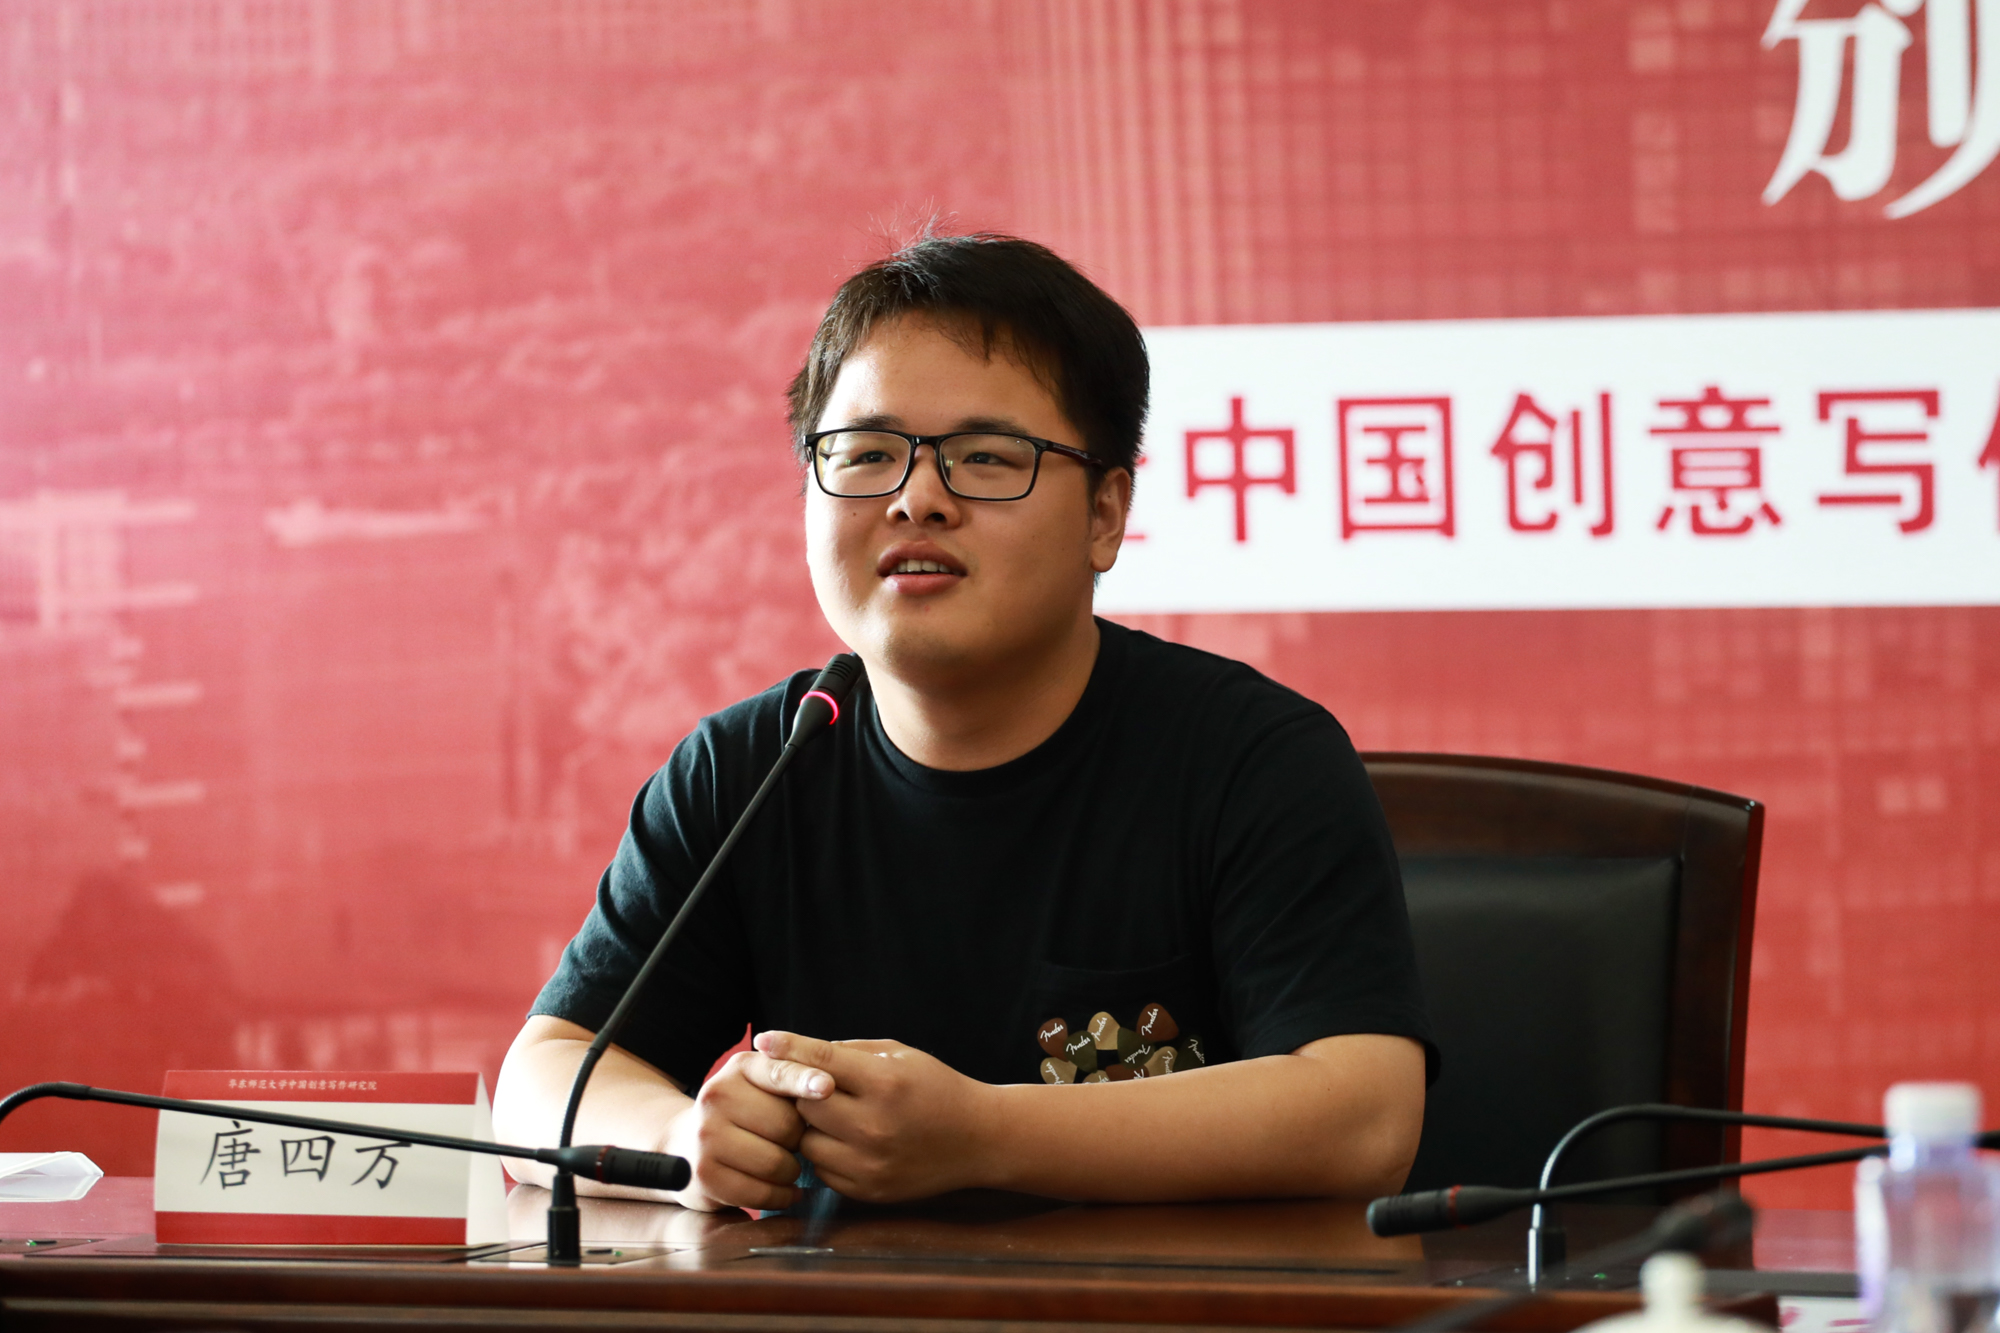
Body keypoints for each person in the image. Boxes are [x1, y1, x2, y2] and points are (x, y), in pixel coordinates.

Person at [493, 232, 1434, 1213]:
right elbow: (541, 1080)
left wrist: (981, 1135)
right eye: (866, 455)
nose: (917, 500)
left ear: (1106, 513)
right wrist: (680, 1140)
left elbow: (1363, 1116)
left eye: (985, 458)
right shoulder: (749, 770)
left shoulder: (1252, 759)